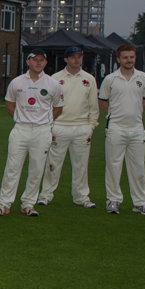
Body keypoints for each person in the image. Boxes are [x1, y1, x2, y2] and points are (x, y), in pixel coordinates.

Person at [0, 49, 63, 217]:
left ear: (45, 62)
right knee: (12, 167)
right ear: (28, 62)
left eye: (41, 60)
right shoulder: (16, 82)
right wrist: (21, 118)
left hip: (42, 131)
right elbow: (9, 105)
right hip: (21, 129)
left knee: (37, 168)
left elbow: (58, 108)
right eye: (35, 60)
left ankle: (28, 204)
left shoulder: (53, 84)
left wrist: (44, 123)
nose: (38, 63)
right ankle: (4, 203)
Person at [38, 46, 99, 208]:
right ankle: (46, 194)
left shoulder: (89, 79)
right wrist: (50, 126)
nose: (76, 60)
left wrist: (91, 127)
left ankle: (81, 197)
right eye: (72, 57)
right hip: (59, 126)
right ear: (66, 59)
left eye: (79, 56)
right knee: (53, 163)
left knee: (81, 164)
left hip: (81, 127)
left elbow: (94, 107)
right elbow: (48, 104)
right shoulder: (55, 78)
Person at [99, 43, 145, 216]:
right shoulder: (110, 79)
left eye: (131, 57)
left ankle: (140, 203)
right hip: (116, 128)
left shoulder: (143, 77)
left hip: (137, 129)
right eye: (125, 57)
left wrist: (134, 114)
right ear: (118, 59)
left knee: (138, 167)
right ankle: (113, 200)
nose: (129, 60)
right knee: (113, 166)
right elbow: (102, 102)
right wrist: (116, 116)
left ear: (135, 58)